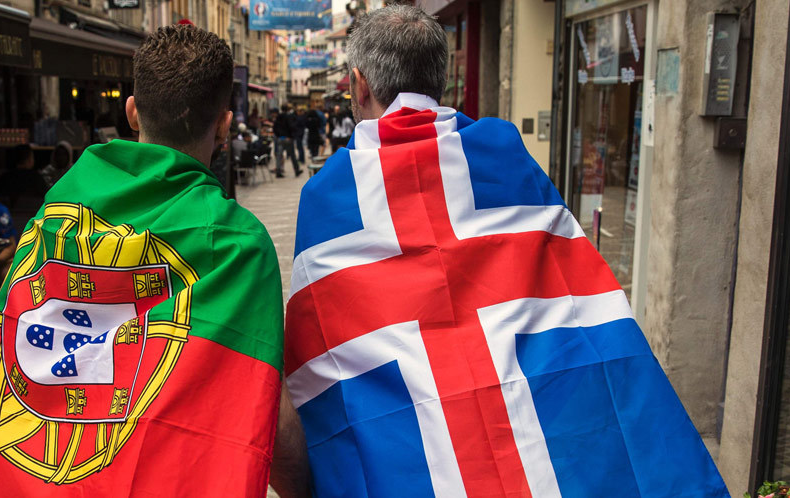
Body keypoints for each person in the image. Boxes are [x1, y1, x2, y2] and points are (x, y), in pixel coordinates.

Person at [283, 5, 729, 497]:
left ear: (357, 85)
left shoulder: (328, 197)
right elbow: (575, 296)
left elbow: (324, 356)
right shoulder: (504, 153)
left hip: (414, 452)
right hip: (531, 416)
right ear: (443, 83)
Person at [0, 24, 308, 498]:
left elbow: (8, 343)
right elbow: (265, 405)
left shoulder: (53, 217)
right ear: (226, 125)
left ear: (131, 112)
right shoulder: (234, 244)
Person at [273, 104, 302, 178]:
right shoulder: (289, 117)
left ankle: (278, 171)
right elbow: (291, 127)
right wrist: (291, 136)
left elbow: (275, 127)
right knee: (292, 155)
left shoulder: (278, 117)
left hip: (280, 138)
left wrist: (278, 135)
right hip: (288, 138)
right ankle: (296, 170)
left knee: (279, 156)